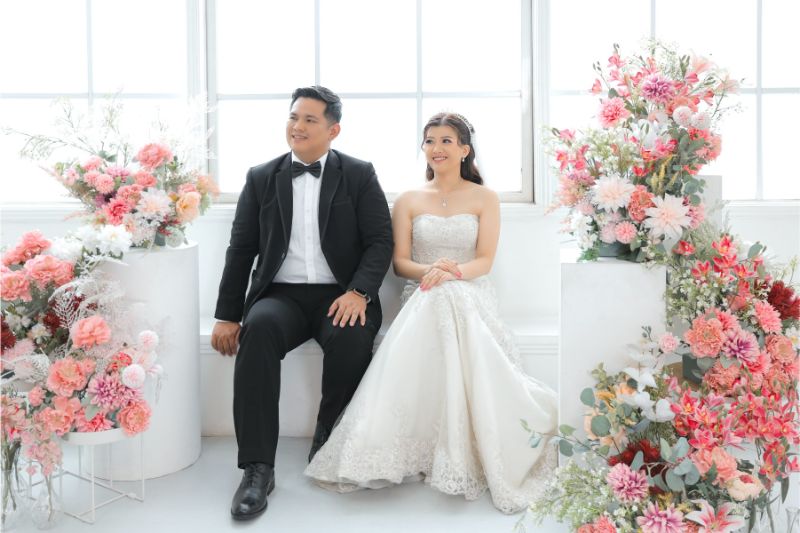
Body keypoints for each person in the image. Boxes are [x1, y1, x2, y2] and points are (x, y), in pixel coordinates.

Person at [305, 112, 558, 514]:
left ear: (464, 149)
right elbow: (400, 263)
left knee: (450, 296)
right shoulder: (408, 199)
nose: (436, 148)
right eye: (429, 141)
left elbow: (484, 261)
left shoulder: (484, 198)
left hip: (469, 291)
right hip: (423, 292)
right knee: (438, 296)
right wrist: (433, 272)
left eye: (446, 141)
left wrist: (451, 273)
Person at [211, 86, 393, 520]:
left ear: (333, 130)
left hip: (341, 294)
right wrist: (227, 315)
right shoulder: (261, 177)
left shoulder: (359, 174)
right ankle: (257, 469)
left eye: (310, 119)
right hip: (281, 295)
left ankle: (329, 442)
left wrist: (359, 292)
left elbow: (380, 241)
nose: (298, 126)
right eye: (294, 117)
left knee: (351, 337)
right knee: (257, 333)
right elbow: (241, 249)